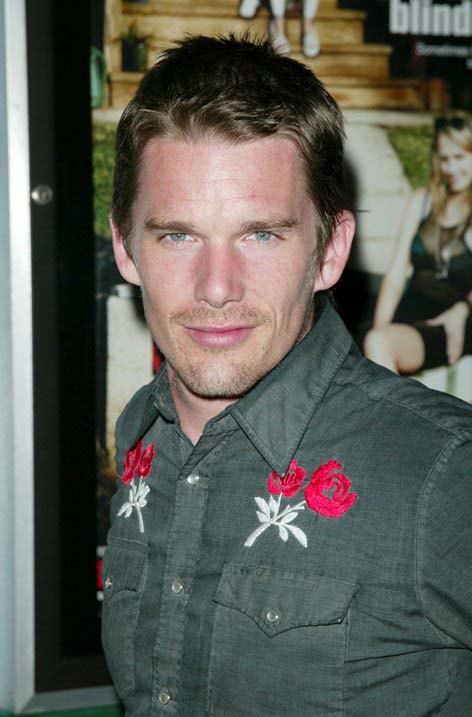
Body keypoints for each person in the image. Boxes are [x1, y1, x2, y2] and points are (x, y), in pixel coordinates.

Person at [102, 35, 472, 715]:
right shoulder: (140, 436)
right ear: (126, 248)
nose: (216, 287)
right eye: (178, 235)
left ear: (329, 251)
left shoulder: (445, 473)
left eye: (261, 235)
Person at [364, 115, 472, 374]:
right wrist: (380, 326)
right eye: (444, 159)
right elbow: (396, 275)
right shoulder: (421, 202)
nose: (451, 168)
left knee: (379, 343)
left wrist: (462, 309)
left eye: (459, 157)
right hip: (413, 306)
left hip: (451, 320)